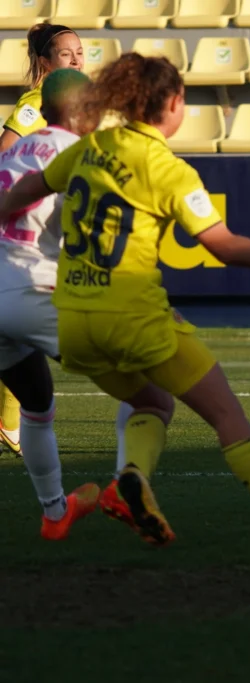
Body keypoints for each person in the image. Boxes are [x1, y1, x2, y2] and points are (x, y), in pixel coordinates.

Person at [0, 53, 250, 552]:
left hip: (76, 321)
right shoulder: (169, 169)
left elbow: (25, 190)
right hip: (126, 313)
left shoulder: (90, 149)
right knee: (227, 414)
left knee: (151, 401)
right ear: (170, 104)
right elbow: (222, 246)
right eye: (183, 97)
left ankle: (129, 482)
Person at [0, 68, 106, 539]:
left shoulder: (16, 146)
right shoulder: (78, 152)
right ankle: (130, 489)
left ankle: (55, 512)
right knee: (144, 384)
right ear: (87, 111)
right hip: (28, 288)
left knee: (37, 402)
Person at [0, 23, 85, 457]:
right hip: (26, 235)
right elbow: (6, 149)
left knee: (17, 338)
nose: (77, 59)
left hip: (38, 231)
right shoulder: (38, 104)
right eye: (67, 54)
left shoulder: (69, 104)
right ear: (45, 63)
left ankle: (11, 423)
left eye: (80, 52)